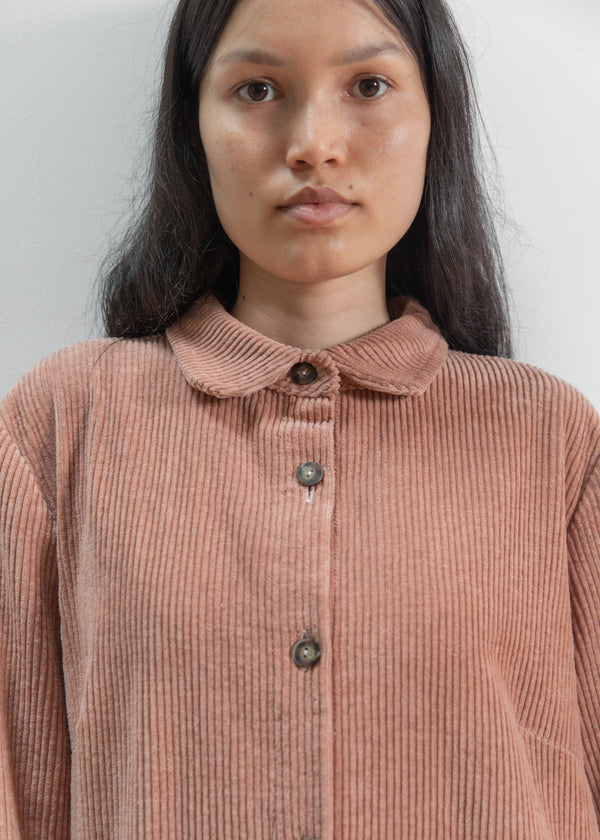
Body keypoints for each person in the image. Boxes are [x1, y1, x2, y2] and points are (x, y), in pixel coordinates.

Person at [1, 0, 599, 838]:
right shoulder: (62, 423)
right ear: (193, 126)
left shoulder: (552, 439)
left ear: (436, 117)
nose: (314, 143)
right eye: (256, 89)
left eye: (368, 85)